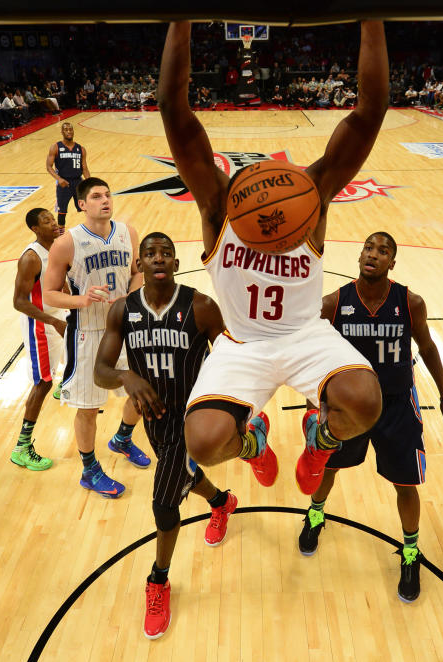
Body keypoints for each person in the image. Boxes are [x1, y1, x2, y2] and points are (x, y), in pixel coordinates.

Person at [157, 21, 387, 495]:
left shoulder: (316, 197)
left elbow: (369, 113)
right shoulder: (218, 208)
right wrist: (180, 21)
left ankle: (319, 441)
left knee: (365, 403)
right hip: (243, 344)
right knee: (202, 444)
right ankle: (253, 445)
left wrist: (373, 19)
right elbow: (174, 112)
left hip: (306, 337)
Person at [297, 232, 443, 602]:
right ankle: (316, 515)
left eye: (383, 251)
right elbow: (309, 351)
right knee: (329, 468)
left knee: (406, 484)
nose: (373, 254)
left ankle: (411, 551)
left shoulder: (409, 302)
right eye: (368, 248)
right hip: (348, 406)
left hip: (397, 405)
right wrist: (313, 398)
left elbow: (428, 347)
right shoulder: (335, 302)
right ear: (360, 256)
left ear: (392, 263)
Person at [94, 232, 237, 639]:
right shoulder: (123, 310)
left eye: (166, 253)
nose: (159, 258)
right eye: (150, 253)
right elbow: (100, 369)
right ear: (139, 264)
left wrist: (229, 412)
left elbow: (231, 360)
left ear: (176, 262)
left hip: (193, 418)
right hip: (156, 420)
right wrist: (125, 376)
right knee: (182, 476)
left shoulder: (201, 307)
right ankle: (223, 502)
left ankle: (158, 580)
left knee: (163, 502)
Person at [42, 177, 149, 498]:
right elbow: (49, 295)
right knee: (88, 408)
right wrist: (81, 300)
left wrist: (131, 297)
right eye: (97, 196)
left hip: (125, 328)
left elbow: (138, 272)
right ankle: (89, 470)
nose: (105, 200)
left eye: (108, 195)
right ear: (81, 205)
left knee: (142, 394)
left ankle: (123, 439)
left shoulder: (128, 233)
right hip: (87, 333)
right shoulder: (67, 243)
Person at [11, 208, 67, 471]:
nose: (53, 223)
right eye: (46, 221)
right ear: (35, 228)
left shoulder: (56, 247)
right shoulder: (31, 258)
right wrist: (54, 321)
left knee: (79, 349)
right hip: (40, 327)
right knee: (42, 383)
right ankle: (22, 447)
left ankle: (65, 384)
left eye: (52, 218)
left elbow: (60, 281)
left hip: (57, 316)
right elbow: (19, 302)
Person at [46, 121, 90, 228]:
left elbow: (84, 168)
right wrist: (59, 179)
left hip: (78, 182)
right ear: (62, 132)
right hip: (63, 183)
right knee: (62, 212)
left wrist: (90, 183)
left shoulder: (81, 149)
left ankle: (93, 229)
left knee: (87, 208)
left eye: (70, 129)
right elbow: (48, 166)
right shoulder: (55, 147)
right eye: (66, 129)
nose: (69, 131)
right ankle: (61, 235)